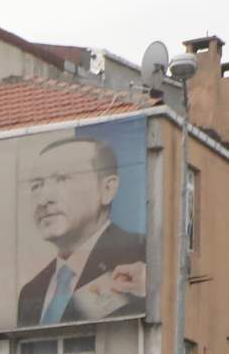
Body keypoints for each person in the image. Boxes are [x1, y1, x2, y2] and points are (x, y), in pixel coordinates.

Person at [15, 131, 148, 327]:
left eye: (62, 179)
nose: (43, 199)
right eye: (36, 186)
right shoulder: (31, 292)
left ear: (107, 189)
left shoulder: (143, 258)